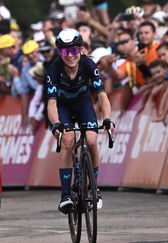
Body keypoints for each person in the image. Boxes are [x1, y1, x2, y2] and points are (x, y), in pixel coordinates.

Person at [46, 29, 115, 214]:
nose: (70, 56)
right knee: (68, 141)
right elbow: (51, 104)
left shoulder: (89, 64)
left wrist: (107, 118)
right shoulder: (53, 69)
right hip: (63, 108)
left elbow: (102, 95)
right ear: (59, 53)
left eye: (74, 50)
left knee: (92, 141)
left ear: (81, 50)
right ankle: (66, 195)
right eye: (64, 51)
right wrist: (56, 123)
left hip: (83, 105)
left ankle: (94, 188)